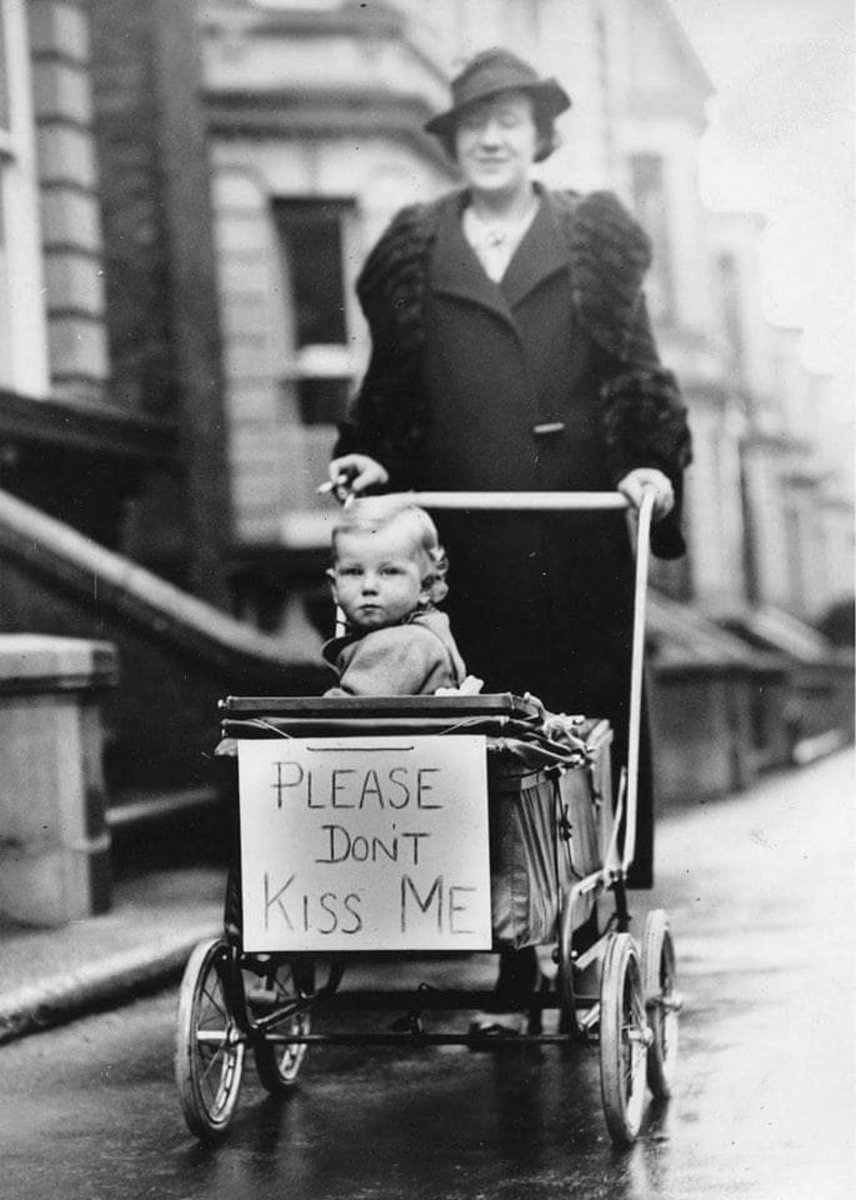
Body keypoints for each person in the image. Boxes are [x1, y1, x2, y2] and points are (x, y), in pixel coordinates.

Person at [326, 47, 692, 1019]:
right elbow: (391, 384)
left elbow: (637, 369)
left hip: (576, 530)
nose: (491, 139)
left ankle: (592, 919)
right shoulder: (413, 251)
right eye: (474, 126)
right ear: (453, 142)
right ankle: (514, 940)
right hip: (468, 541)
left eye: (510, 123)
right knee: (477, 730)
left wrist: (649, 462)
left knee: (582, 726)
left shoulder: (593, 238)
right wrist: (367, 455)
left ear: (538, 137)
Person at [323, 497, 468, 696]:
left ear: (425, 586)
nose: (368, 586)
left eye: (389, 572)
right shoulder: (415, 636)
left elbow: (351, 710)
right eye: (354, 572)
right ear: (334, 586)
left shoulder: (403, 643)